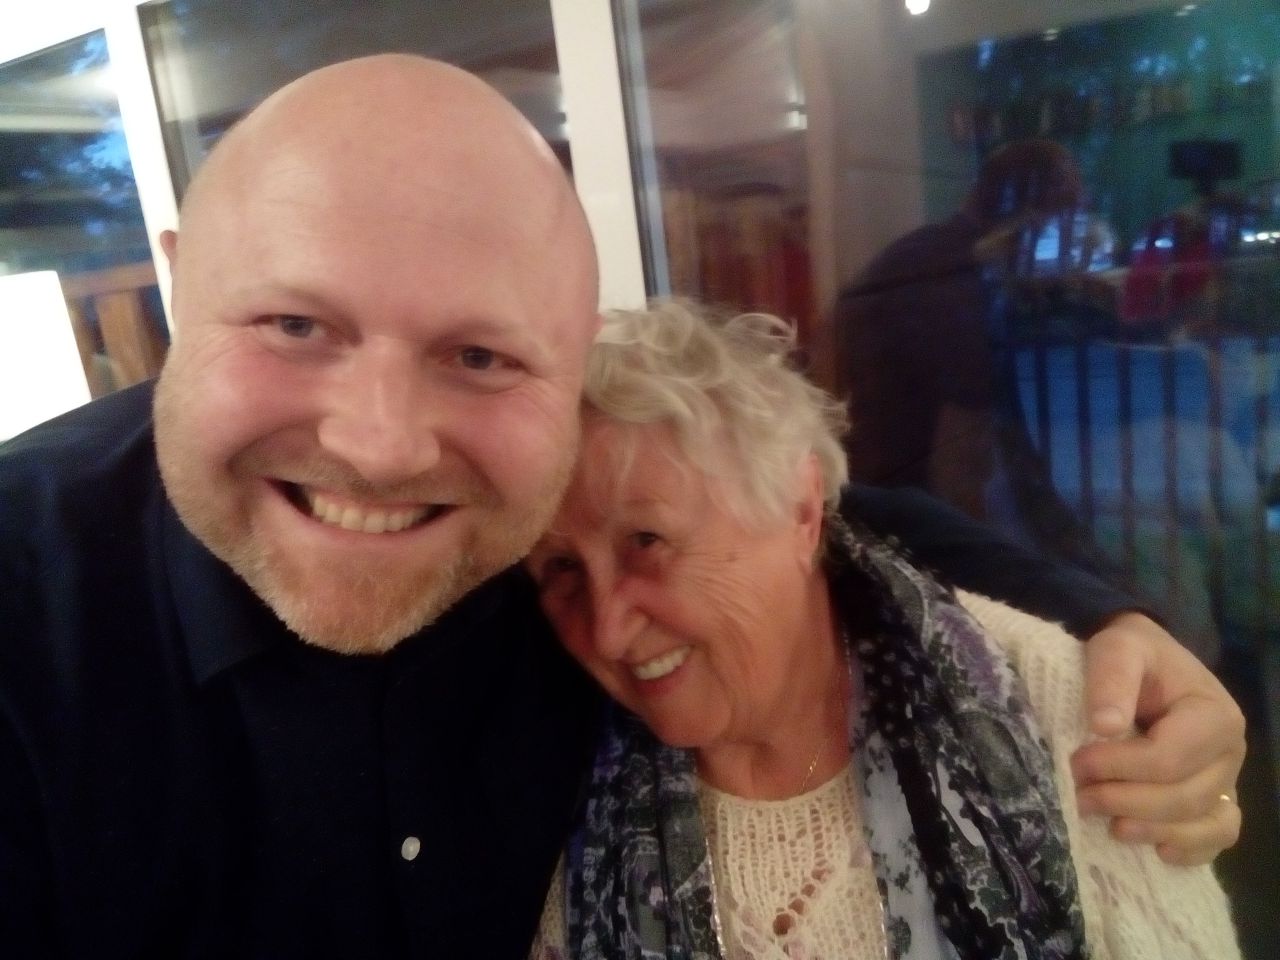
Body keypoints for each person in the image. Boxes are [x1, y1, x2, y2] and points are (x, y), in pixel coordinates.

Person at [0, 56, 1242, 958]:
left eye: (478, 355)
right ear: (177, 290)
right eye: (291, 323)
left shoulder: (534, 525)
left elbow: (796, 508)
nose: (378, 448)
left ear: (560, 360)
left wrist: (1107, 618)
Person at [525, 300, 1241, 959]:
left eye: (647, 541)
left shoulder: (1050, 708)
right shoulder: (549, 775)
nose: (607, 632)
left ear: (801, 511)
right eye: (560, 567)